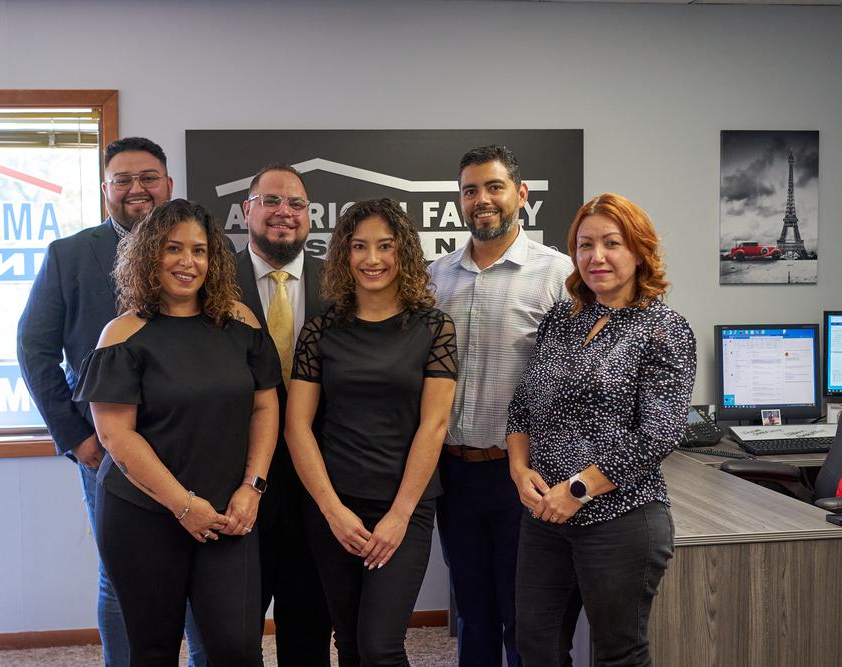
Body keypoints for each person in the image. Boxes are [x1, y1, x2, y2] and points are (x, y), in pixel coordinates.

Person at [72, 199, 279, 666]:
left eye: (200, 251)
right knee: (153, 649)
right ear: (149, 255)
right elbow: (116, 436)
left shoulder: (240, 322)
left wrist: (254, 487)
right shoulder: (122, 335)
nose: (188, 262)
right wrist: (183, 505)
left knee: (237, 648)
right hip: (143, 513)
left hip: (230, 512)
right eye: (173, 249)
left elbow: (265, 405)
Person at [506, 192, 697, 666]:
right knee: (537, 647)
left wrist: (577, 488)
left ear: (639, 250)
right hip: (546, 516)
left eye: (612, 243)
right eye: (585, 244)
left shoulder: (662, 329)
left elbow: (659, 433)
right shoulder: (563, 318)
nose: (596, 257)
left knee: (618, 654)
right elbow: (523, 404)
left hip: (620, 519)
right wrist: (518, 468)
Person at [17, 136, 174, 666]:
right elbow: (34, 348)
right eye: (123, 179)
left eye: (148, 177)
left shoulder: (199, 249)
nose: (137, 189)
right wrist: (75, 435)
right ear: (106, 188)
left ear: (168, 185)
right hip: (106, 446)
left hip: (193, 440)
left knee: (202, 567)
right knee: (121, 573)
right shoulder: (69, 255)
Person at [285, 198, 458, 667]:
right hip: (333, 506)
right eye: (359, 246)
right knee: (349, 640)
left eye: (385, 246)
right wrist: (332, 511)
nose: (373, 258)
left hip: (404, 506)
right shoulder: (321, 331)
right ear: (344, 254)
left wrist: (400, 514)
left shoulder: (434, 327)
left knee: (382, 646)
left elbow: (434, 425)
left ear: (403, 252)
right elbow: (297, 425)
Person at [428, 145, 571, 666]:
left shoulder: (559, 275)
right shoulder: (435, 277)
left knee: (525, 618)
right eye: (470, 191)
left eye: (494, 187)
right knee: (472, 613)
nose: (481, 200)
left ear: (521, 194)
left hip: (523, 477)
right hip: (453, 473)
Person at [235, 163, 332, 666]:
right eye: (271, 201)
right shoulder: (212, 280)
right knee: (233, 627)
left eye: (296, 204)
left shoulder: (339, 284)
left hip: (316, 477)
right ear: (247, 210)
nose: (284, 213)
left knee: (310, 624)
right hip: (235, 477)